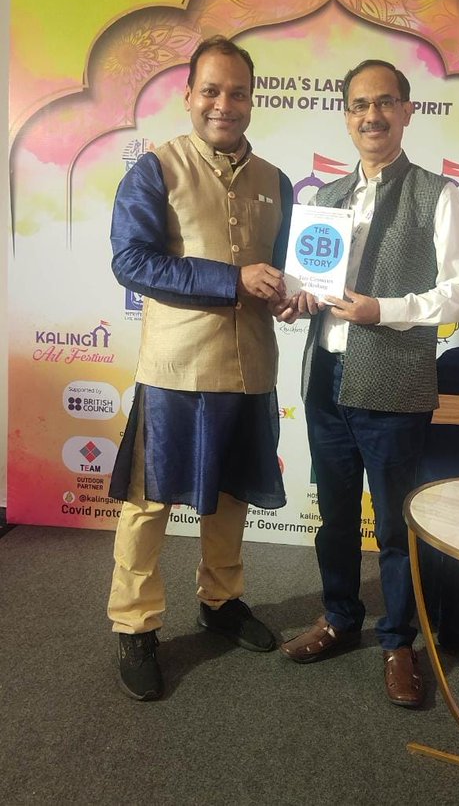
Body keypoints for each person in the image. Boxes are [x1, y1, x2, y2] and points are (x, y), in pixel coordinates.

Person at [276, 59, 459, 707]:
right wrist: (297, 300)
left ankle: (398, 642)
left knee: (394, 526)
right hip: (325, 379)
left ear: (407, 111)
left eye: (385, 103)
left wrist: (384, 310)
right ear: (346, 116)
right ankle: (340, 617)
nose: (372, 116)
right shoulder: (326, 200)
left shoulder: (436, 194)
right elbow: (311, 284)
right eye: (359, 105)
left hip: (393, 383)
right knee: (335, 517)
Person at [107, 35, 293, 701]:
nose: (224, 104)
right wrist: (232, 279)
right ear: (188, 96)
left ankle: (221, 601)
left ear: (252, 99)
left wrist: (290, 293)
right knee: (148, 501)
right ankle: (134, 623)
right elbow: (132, 262)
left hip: (251, 368)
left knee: (233, 494)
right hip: (176, 370)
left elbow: (282, 267)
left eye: (237, 92)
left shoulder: (276, 180)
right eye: (211, 90)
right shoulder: (155, 169)